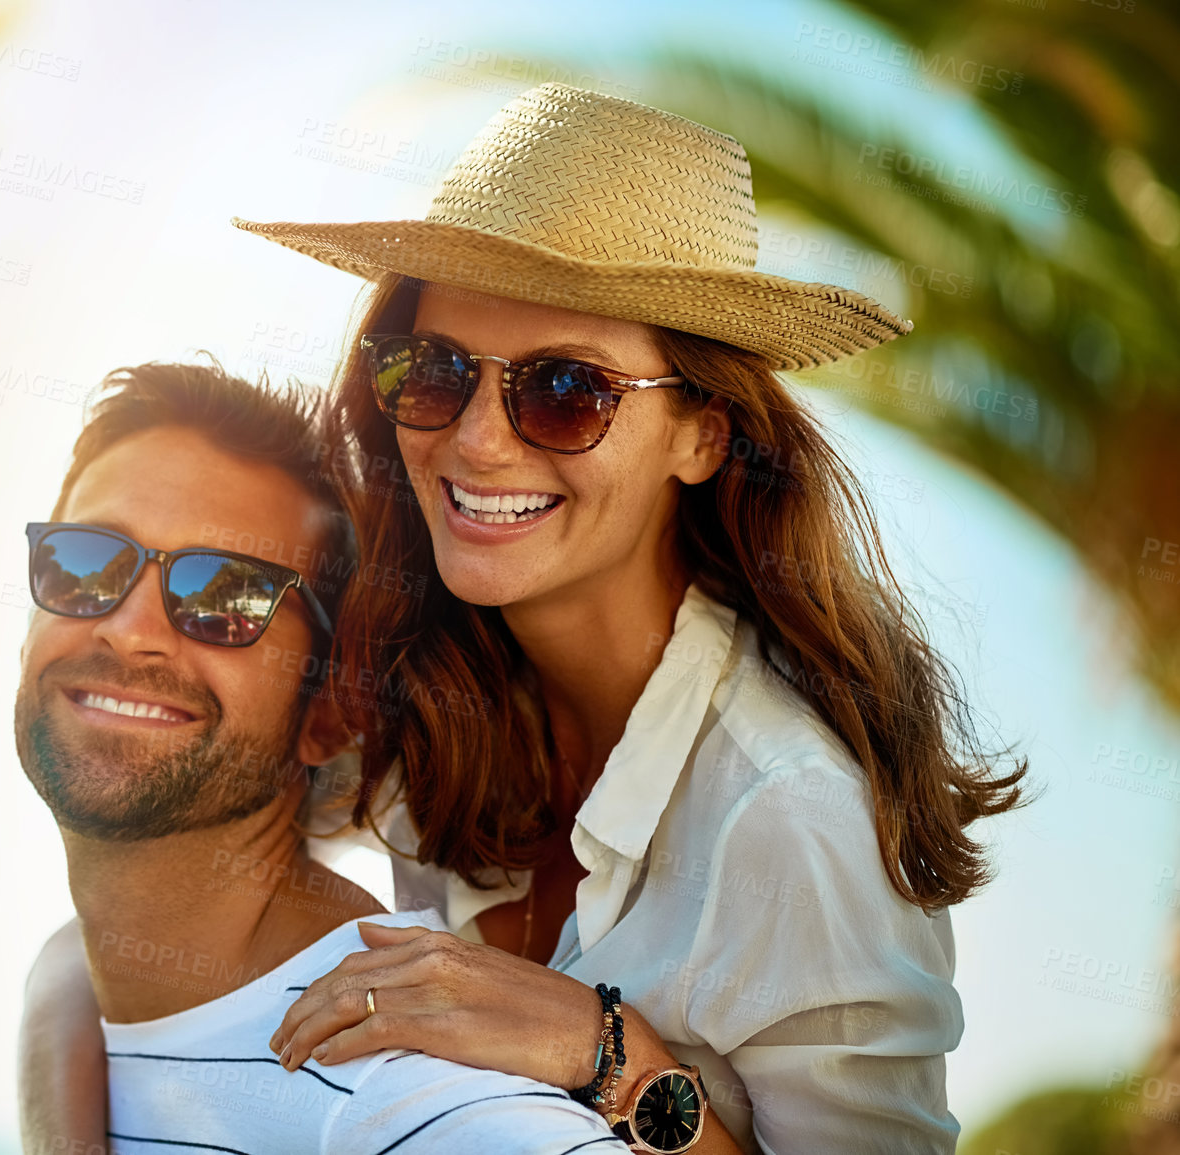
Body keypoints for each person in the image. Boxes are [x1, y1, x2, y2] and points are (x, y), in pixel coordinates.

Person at [227, 84, 1026, 1153]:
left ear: (703, 434)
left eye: (564, 391)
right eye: (435, 373)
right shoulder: (424, 698)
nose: (475, 444)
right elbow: (147, 878)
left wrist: (605, 1054)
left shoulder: (791, 818)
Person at [14, 360, 629, 1153]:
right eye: (89, 560)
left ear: (331, 712)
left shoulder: (415, 1104)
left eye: (225, 595)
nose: (126, 627)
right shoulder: (104, 998)